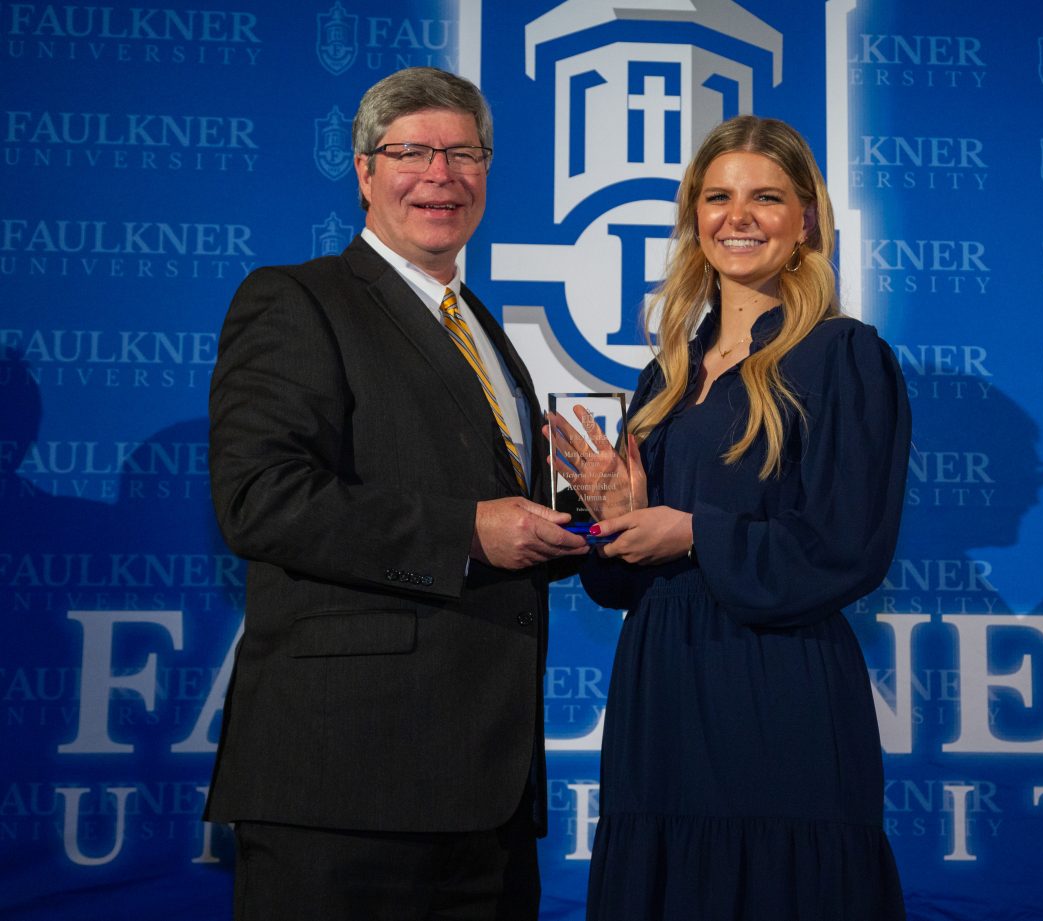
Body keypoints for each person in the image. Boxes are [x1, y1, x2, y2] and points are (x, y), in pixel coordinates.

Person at [204, 67, 588, 921]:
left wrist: (590, 517)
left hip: (485, 799)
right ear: (365, 169)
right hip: (344, 792)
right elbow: (260, 497)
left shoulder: (485, 328)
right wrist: (467, 530)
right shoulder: (295, 300)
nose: (440, 175)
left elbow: (491, 518)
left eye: (463, 153)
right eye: (412, 151)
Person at [558, 115, 911, 919]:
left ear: (806, 220)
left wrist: (690, 531)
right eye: (717, 197)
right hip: (661, 687)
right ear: (694, 217)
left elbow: (847, 547)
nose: (738, 216)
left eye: (766, 197)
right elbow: (620, 580)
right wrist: (612, 520)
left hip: (775, 687)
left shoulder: (843, 355)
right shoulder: (668, 375)